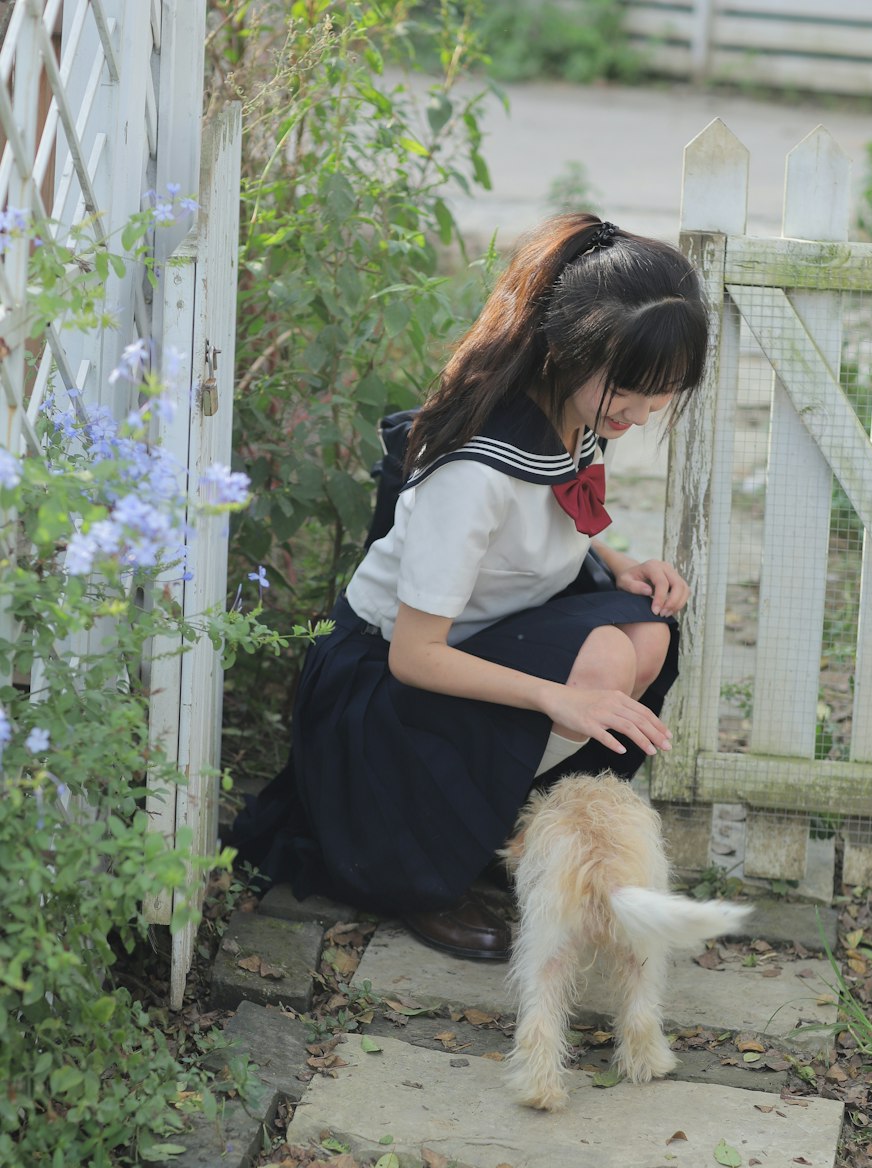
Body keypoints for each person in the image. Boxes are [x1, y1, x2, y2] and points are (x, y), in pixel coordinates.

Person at [233, 213, 708, 961]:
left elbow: (561, 505)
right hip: (383, 696)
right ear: (572, 347)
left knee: (646, 631)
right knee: (603, 670)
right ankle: (424, 859)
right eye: (634, 394)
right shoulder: (476, 473)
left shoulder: (573, 408)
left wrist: (618, 563)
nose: (642, 416)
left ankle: (487, 829)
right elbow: (414, 657)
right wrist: (559, 699)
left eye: (660, 398)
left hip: (484, 634)